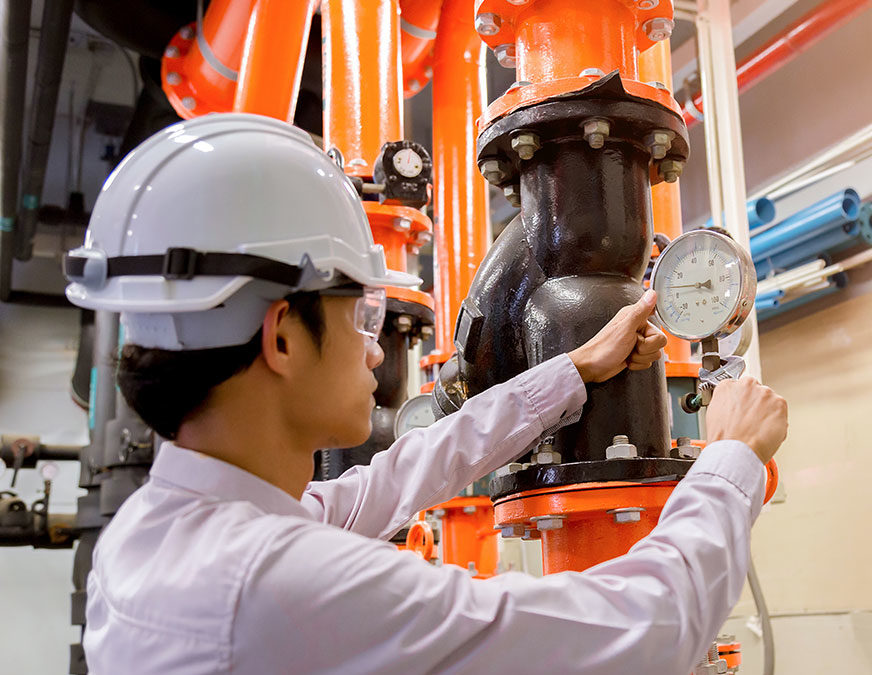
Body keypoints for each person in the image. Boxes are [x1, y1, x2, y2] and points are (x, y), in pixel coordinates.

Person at [65, 113, 789, 674]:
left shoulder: (156, 534)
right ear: (282, 336)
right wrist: (729, 460)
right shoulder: (273, 583)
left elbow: (401, 473)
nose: (376, 349)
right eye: (361, 316)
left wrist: (573, 370)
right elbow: (644, 630)